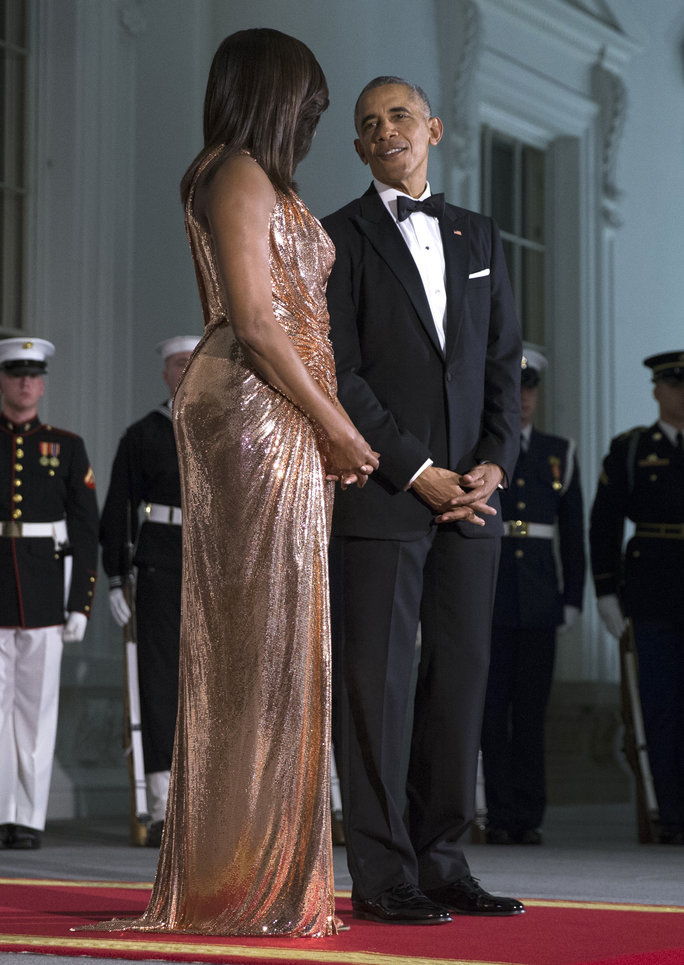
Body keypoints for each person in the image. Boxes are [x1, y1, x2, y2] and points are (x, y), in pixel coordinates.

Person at [87, 29, 378, 938]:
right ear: (270, 94)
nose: (315, 122)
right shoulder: (239, 172)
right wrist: (337, 426)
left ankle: (247, 872)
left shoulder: (254, 176)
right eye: (309, 104)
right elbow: (254, 320)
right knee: (263, 641)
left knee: (276, 639)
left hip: (277, 407)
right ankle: (244, 881)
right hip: (256, 410)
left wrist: (326, 420)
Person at [322, 76, 524, 925]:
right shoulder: (339, 237)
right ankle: (381, 873)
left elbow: (503, 363)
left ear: (433, 129)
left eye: (399, 115)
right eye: (369, 125)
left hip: (471, 502)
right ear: (361, 148)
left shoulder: (478, 232)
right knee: (376, 688)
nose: (385, 130)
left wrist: (493, 465)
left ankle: (442, 860)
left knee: (459, 681)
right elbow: (342, 375)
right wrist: (416, 470)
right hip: (382, 495)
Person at [481, 347, 585, 846]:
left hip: (540, 598)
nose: (522, 399)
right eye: (514, 389)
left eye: (529, 389)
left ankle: (528, 813)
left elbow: (575, 532)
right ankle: (499, 813)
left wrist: (573, 599)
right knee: (490, 711)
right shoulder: (484, 448)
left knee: (530, 712)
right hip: (492, 596)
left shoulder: (558, 450)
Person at [100, 335, 199, 846]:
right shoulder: (144, 435)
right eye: (180, 364)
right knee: (160, 683)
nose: (187, 371)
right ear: (165, 372)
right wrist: (117, 576)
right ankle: (163, 806)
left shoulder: (230, 430)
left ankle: (211, 803)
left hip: (217, 571)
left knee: (216, 687)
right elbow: (118, 509)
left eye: (194, 362)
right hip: (161, 565)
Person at [0, 337, 98, 850]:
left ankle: (28, 819)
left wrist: (79, 602)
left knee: (36, 711)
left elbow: (85, 530)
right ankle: (1, 814)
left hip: (44, 591)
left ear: (42, 382)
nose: (25, 383)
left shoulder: (65, 444)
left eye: (33, 374)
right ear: (2, 379)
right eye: (16, 373)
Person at [590, 351, 684, 845]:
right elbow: (604, 524)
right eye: (674, 385)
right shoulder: (631, 449)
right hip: (652, 595)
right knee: (660, 707)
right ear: (656, 390)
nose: (682, 394)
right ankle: (667, 812)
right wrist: (606, 591)